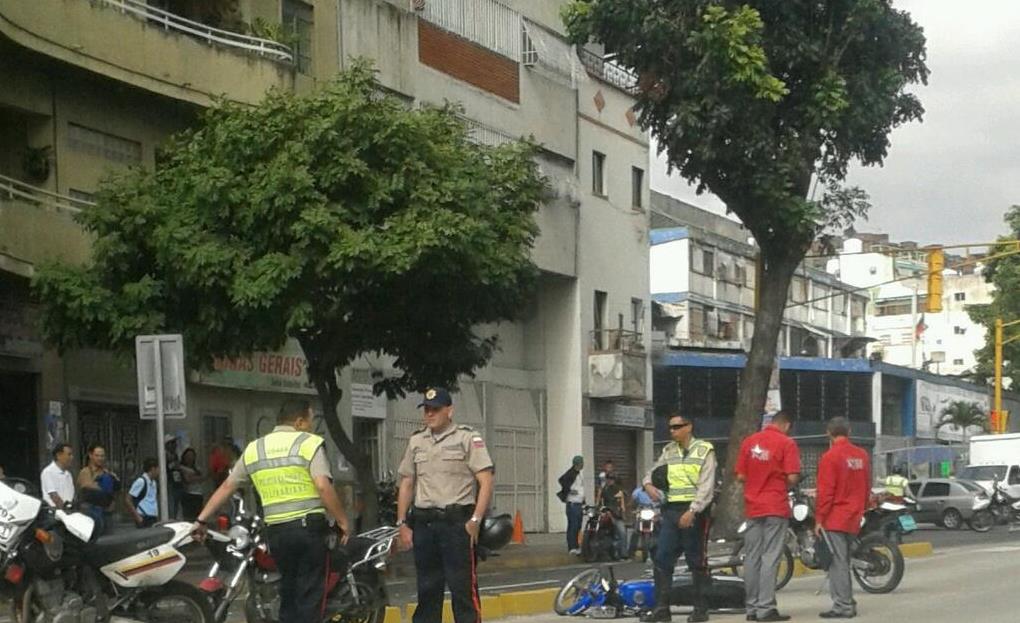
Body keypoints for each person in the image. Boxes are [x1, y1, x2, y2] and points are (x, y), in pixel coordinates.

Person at [192, 399, 351, 623]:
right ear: (299, 421)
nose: (312, 425)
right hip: (308, 532)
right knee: (310, 596)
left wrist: (200, 520)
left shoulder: (254, 449)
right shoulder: (309, 443)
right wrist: (342, 520)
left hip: (276, 534)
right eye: (311, 420)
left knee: (288, 591)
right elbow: (323, 486)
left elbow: (228, 486)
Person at [396, 387, 494, 623]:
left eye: (435, 410)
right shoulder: (417, 440)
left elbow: (486, 481)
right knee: (428, 590)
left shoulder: (467, 438)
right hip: (425, 524)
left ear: (449, 410)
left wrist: (475, 520)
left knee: (462, 590)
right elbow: (407, 482)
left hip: (456, 524)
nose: (430, 414)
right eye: (427, 410)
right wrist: (401, 523)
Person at [640, 411, 717, 623]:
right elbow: (651, 472)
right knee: (662, 557)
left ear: (689, 426)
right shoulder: (669, 451)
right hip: (672, 511)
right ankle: (662, 609)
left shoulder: (704, 450)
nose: (672, 431)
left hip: (695, 513)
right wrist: (647, 485)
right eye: (670, 427)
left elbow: (706, 486)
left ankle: (700, 609)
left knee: (696, 560)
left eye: (677, 426)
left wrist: (692, 510)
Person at [735, 411, 801, 622]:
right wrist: (781, 481)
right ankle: (766, 608)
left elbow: (740, 475)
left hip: (753, 507)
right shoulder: (786, 443)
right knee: (770, 557)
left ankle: (751, 609)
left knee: (752, 557)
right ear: (786, 425)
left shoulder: (749, 442)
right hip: (775, 506)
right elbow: (792, 476)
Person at [815, 417, 870, 620]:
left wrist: (819, 518)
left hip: (835, 517)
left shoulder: (830, 457)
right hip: (854, 515)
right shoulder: (862, 455)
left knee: (837, 564)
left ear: (829, 432)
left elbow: (826, 492)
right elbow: (867, 484)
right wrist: (862, 509)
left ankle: (843, 605)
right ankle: (847, 601)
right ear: (849, 431)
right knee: (844, 560)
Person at [77, 443, 120, 536]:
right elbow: (87, 487)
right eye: (97, 456)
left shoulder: (108, 473)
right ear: (90, 455)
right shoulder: (85, 472)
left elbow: (114, 490)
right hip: (91, 513)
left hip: (107, 513)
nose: (100, 458)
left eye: (102, 456)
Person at [557, 455, 586, 555]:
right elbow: (561, 480)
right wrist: (569, 490)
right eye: (582, 462)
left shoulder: (578, 474)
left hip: (578, 504)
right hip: (573, 504)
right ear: (578, 464)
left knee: (577, 526)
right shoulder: (571, 473)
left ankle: (576, 546)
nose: (583, 464)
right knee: (573, 526)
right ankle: (572, 547)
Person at [601, 473, 629, 560]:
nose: (610, 481)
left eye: (611, 479)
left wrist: (623, 512)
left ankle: (623, 553)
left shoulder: (618, 489)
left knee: (622, 532)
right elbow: (601, 502)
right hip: (606, 514)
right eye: (608, 479)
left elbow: (622, 502)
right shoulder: (604, 490)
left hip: (616, 515)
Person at [40, 442, 75, 508]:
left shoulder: (68, 474)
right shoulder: (48, 472)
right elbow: (53, 496)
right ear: (59, 455)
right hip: (55, 512)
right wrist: (65, 510)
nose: (72, 457)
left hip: (68, 511)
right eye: (69, 454)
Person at [129, 458, 160, 528]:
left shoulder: (154, 482)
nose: (159, 471)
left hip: (152, 516)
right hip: (143, 516)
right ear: (153, 469)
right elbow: (128, 499)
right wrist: (137, 517)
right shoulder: (141, 481)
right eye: (158, 469)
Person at [178, 448, 205, 521]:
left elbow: (203, 478)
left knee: (198, 517)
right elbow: (187, 480)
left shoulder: (197, 468)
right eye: (188, 456)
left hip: (198, 494)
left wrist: (194, 477)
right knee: (189, 517)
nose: (190, 458)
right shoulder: (182, 467)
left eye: (192, 456)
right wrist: (194, 477)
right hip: (188, 495)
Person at [165, 434, 183, 520]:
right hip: (170, 482)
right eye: (172, 443)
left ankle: (175, 518)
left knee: (176, 503)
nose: (175, 445)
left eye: (175, 443)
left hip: (177, 482)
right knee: (171, 503)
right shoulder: (164, 455)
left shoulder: (175, 455)